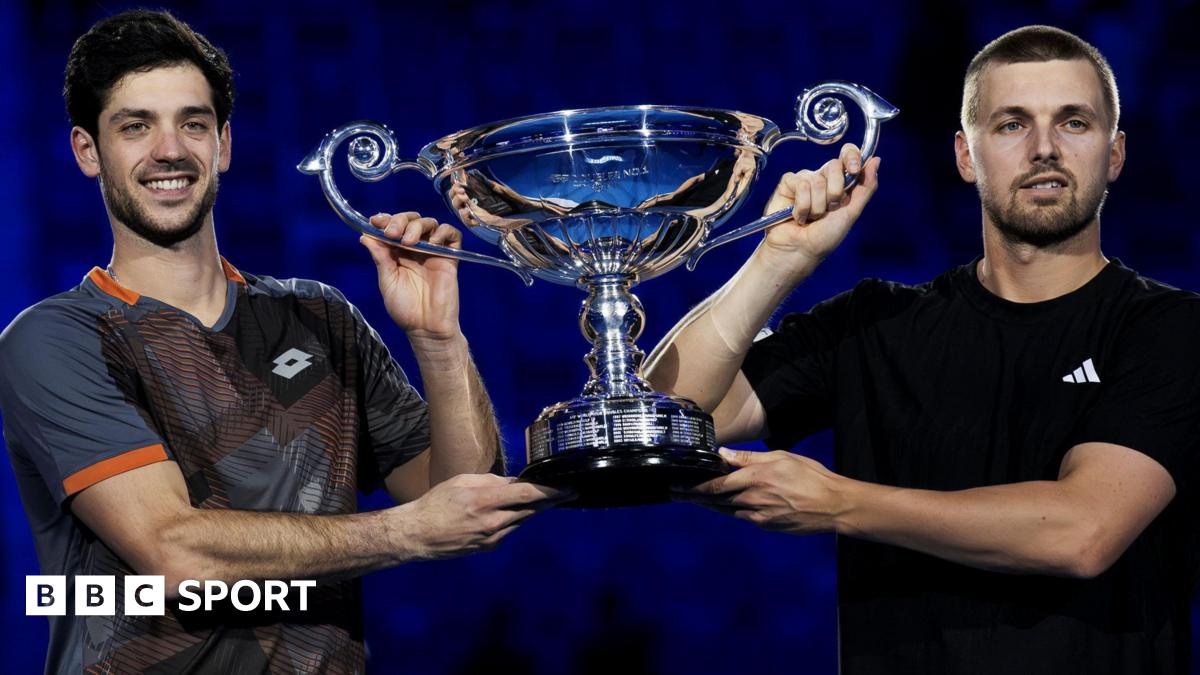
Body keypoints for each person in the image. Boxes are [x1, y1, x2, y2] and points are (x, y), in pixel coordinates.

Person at [0, 10, 567, 674]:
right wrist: (405, 532)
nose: (170, 150)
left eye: (193, 123)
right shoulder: (56, 339)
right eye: (135, 127)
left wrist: (438, 337)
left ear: (224, 144)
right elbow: (175, 553)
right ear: (87, 151)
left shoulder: (319, 316)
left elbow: (464, 497)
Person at [647, 25, 1200, 674]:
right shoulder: (872, 323)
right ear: (966, 156)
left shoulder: (1169, 328)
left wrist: (840, 502)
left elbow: (1083, 532)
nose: (1045, 148)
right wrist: (778, 261)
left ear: (1115, 153)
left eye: (1073, 122)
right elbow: (663, 417)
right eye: (1012, 124)